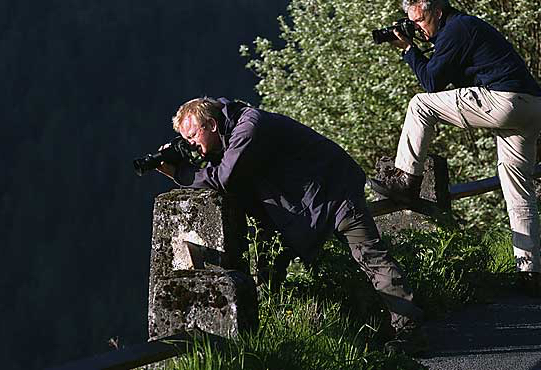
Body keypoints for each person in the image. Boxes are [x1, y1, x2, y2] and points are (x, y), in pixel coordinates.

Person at [156, 96, 427, 354]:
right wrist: (187, 157)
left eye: (192, 137)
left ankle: (411, 331)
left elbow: (226, 178)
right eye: (185, 140)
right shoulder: (232, 132)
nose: (190, 143)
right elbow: (228, 170)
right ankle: (266, 339)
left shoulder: (249, 127)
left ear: (212, 125)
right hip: (304, 204)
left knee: (371, 257)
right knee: (268, 272)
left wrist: (181, 173)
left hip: (335, 191)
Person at [370, 0, 541, 297]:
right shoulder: (464, 28)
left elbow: (432, 83)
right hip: (531, 106)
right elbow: (445, 75)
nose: (419, 28)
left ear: (439, 13)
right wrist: (418, 47)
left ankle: (406, 179)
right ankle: (529, 272)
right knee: (517, 189)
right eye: (412, 23)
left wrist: (409, 51)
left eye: (421, 21)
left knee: (419, 105)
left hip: (504, 101)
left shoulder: (456, 29)